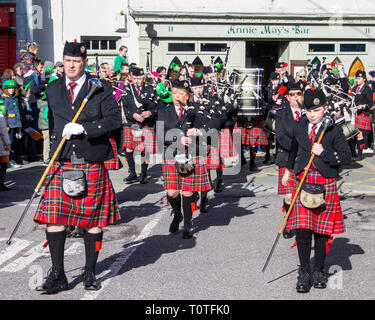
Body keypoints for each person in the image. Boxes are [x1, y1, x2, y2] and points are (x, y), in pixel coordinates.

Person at [33, 41, 122, 294]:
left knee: (93, 222)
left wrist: (85, 129)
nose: (71, 65)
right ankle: (58, 274)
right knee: (53, 219)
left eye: (76, 62)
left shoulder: (100, 88)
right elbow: (52, 121)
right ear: (63, 60)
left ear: (84, 63)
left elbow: (114, 120)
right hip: (61, 161)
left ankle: (91, 272)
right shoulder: (53, 89)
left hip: (90, 161)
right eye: (68, 60)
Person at [282, 89, 351, 293]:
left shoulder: (333, 130)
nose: (312, 114)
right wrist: (287, 171)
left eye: (317, 110)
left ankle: (319, 270)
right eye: (308, 110)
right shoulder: (300, 126)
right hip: (302, 180)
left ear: (326, 109)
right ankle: (304, 272)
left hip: (324, 182)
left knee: (321, 232)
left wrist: (325, 153)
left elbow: (347, 157)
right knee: (303, 230)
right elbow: (293, 150)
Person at [154, 79, 225, 239]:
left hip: (191, 155)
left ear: (188, 96)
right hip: (172, 154)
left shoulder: (197, 109)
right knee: (172, 192)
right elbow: (159, 135)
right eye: (174, 93)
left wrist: (200, 131)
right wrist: (176, 139)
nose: (176, 96)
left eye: (180, 94)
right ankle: (177, 214)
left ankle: (187, 224)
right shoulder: (164, 111)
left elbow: (216, 121)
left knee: (188, 192)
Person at [275, 81, 305, 239]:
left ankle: (303, 222)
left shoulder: (308, 112)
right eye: (292, 95)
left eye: (298, 94)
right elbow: (279, 135)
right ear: (287, 97)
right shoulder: (281, 113)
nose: (295, 97)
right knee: (289, 196)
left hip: (306, 158)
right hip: (287, 157)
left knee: (303, 195)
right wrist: (298, 148)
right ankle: (290, 220)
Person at [121, 67, 157, 184]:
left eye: (139, 78)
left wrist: (150, 112)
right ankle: (132, 173)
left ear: (144, 78)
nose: (136, 81)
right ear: (131, 78)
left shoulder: (151, 89)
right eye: (134, 78)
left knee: (144, 149)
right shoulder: (127, 89)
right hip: (131, 122)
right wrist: (133, 114)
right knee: (128, 148)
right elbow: (124, 107)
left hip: (146, 123)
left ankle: (144, 173)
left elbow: (158, 106)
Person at [352, 70, 374, 160]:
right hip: (355, 113)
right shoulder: (355, 88)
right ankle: (354, 152)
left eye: (359, 78)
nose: (357, 80)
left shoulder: (367, 89)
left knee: (360, 134)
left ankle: (360, 154)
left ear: (364, 79)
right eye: (356, 78)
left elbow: (370, 104)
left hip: (363, 113)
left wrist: (363, 106)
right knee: (354, 134)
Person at [1, 80, 22, 168]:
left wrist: (20, 124)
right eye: (9, 88)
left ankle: (12, 159)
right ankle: (8, 161)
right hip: (9, 125)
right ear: (5, 89)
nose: (11, 90)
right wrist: (6, 125)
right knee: (9, 143)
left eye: (13, 88)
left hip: (16, 124)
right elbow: (3, 114)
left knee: (14, 144)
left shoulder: (15, 99)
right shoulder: (4, 100)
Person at [0, 106, 11, 191]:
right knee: (3, 165)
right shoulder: (0, 116)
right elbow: (3, 131)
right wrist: (7, 143)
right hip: (1, 145)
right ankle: (1, 184)